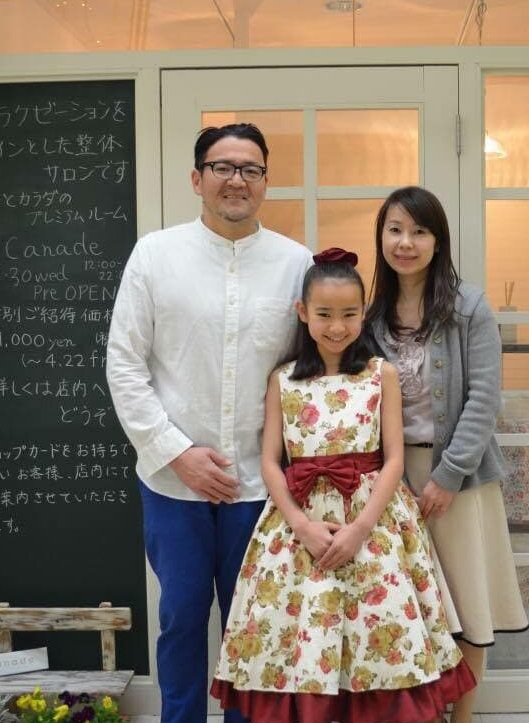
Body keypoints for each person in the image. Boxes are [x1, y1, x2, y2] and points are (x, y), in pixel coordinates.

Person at [211, 248, 477, 723]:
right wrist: (301, 525)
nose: (337, 326)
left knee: (377, 631)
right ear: (303, 313)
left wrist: (359, 529)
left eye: (350, 314)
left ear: (363, 313)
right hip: (298, 526)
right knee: (300, 633)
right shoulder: (282, 380)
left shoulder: (380, 375)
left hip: (373, 522)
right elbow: (271, 462)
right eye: (324, 314)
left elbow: (394, 460)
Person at [106, 122, 313, 723]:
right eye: (223, 167)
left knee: (255, 626)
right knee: (181, 620)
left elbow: (311, 371)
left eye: (250, 169)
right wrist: (176, 452)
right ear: (197, 179)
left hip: (262, 486)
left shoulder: (295, 264)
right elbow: (124, 363)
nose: (236, 180)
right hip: (174, 484)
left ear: (265, 182)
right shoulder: (155, 255)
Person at [365, 186, 529, 723]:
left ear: (439, 241)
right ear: (381, 237)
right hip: (390, 479)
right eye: (395, 230)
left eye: (419, 231)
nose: (405, 242)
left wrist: (449, 475)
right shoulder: (370, 317)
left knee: (468, 608)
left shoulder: (468, 307)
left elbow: (485, 399)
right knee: (410, 605)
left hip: (460, 478)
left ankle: (464, 717)